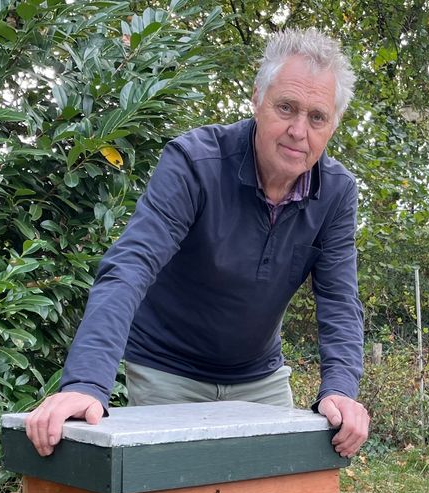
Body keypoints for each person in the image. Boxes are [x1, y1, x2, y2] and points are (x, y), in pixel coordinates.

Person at [24, 28, 369, 459]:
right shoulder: (194, 162)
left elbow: (339, 298)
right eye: (286, 107)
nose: (299, 130)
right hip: (167, 368)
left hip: (259, 376)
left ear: (332, 125)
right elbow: (131, 265)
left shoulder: (337, 193)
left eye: (317, 117)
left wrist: (340, 389)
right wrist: (84, 383)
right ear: (257, 98)